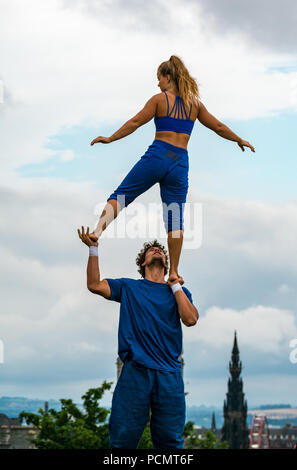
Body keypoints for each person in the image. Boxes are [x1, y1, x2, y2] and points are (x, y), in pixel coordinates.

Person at [88, 55, 255, 285]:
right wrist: (239, 139)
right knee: (175, 218)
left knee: (122, 195)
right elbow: (217, 126)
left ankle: (97, 232)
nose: (158, 84)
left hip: (158, 155)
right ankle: (174, 271)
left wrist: (111, 138)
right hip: (179, 163)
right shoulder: (195, 104)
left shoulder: (159, 100)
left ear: (169, 77)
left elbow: (136, 122)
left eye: (159, 78)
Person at [77, 225, 199, 449]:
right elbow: (94, 285)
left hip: (169, 374)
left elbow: (190, 319)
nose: (157, 250)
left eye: (161, 250)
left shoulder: (179, 292)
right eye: (151, 250)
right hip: (135, 372)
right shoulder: (129, 287)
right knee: (122, 441)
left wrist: (175, 287)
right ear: (142, 263)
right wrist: (93, 249)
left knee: (171, 443)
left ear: (167, 261)